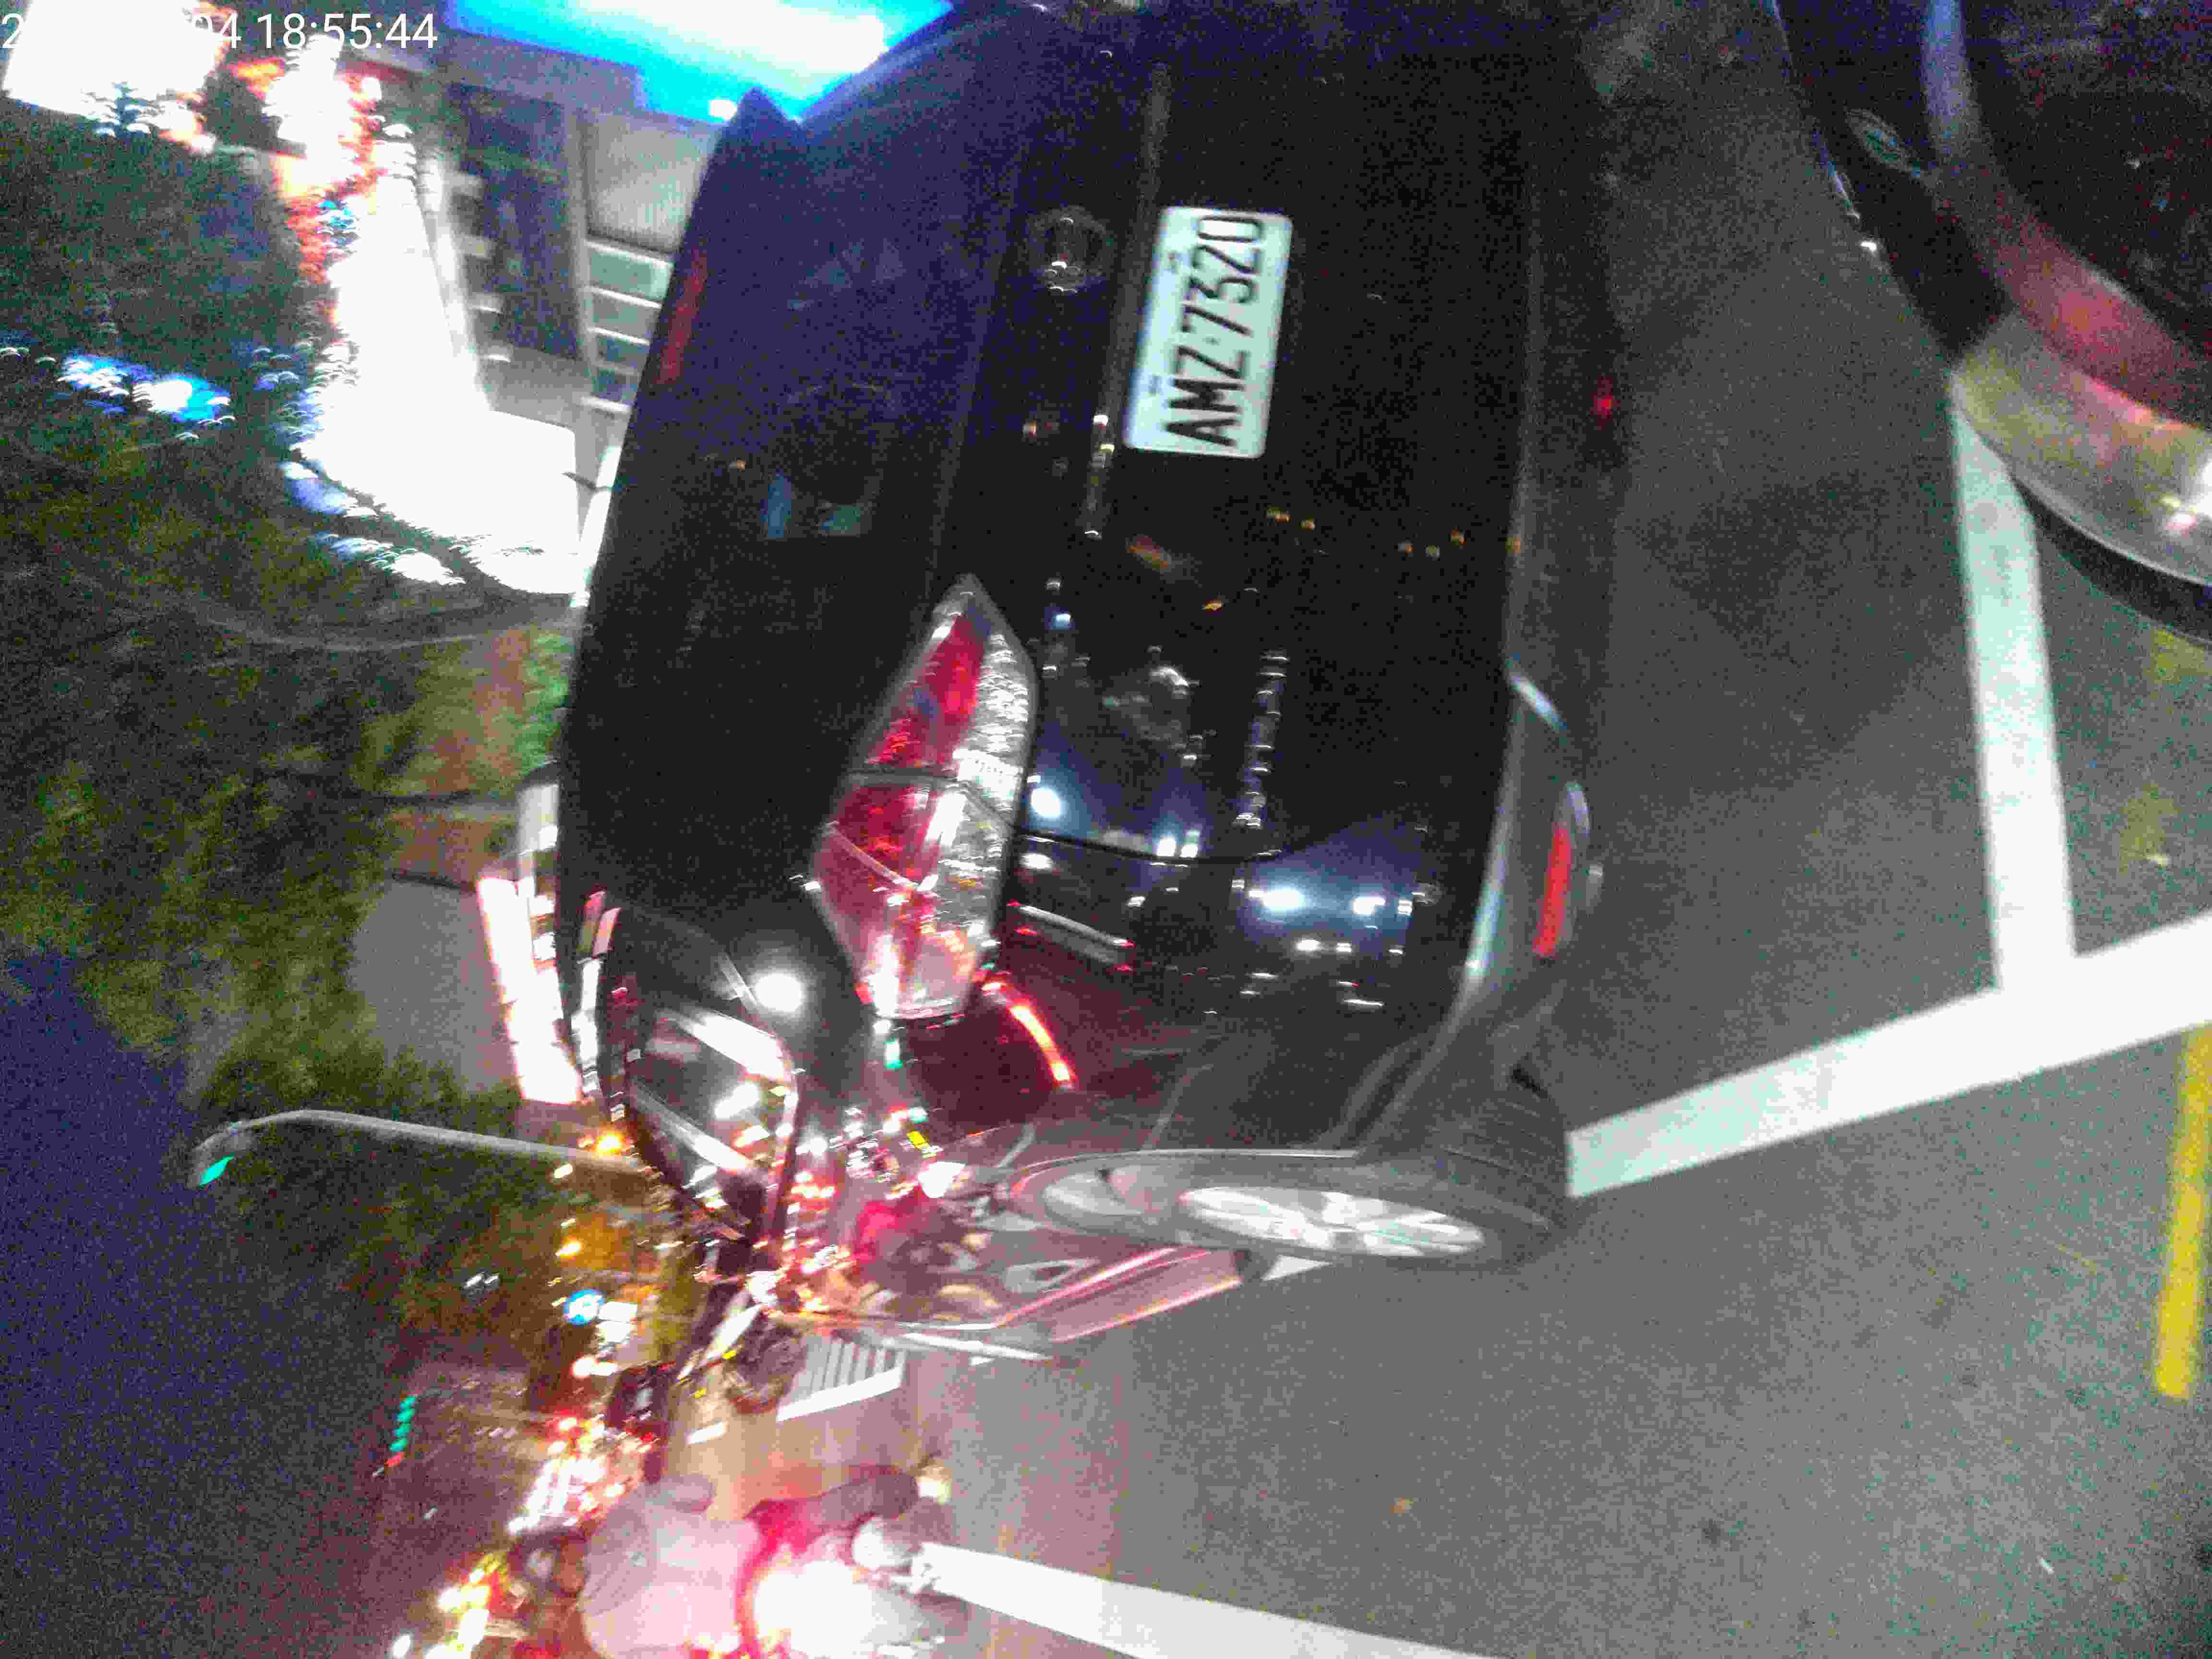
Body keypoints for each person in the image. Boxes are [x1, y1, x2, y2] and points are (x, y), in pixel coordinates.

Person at [506, 1464, 933, 1659]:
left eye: (561, 1561)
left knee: (831, 1509)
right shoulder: (627, 1511)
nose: (570, 1567)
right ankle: (908, 1490)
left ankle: (905, 1492)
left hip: (765, 1571)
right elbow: (701, 1489)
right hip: (759, 1606)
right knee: (822, 1511)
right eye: (561, 1569)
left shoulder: (603, 1633)